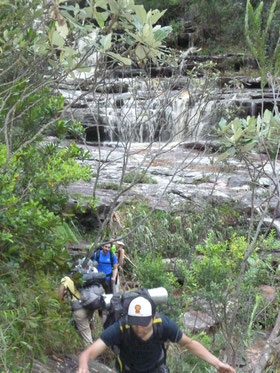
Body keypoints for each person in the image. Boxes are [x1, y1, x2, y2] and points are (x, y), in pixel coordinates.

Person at [77, 296, 236, 373]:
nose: (138, 327)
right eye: (134, 322)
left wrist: (217, 363)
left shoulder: (164, 325)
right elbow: (90, 352)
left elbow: (189, 344)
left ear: (154, 318)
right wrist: (83, 365)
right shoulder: (122, 327)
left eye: (143, 322)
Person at [59, 270, 94, 347]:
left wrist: (60, 301)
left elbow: (60, 293)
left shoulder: (67, 279)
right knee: (85, 328)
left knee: (86, 334)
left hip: (79, 308)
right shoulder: (85, 275)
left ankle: (90, 355)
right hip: (90, 306)